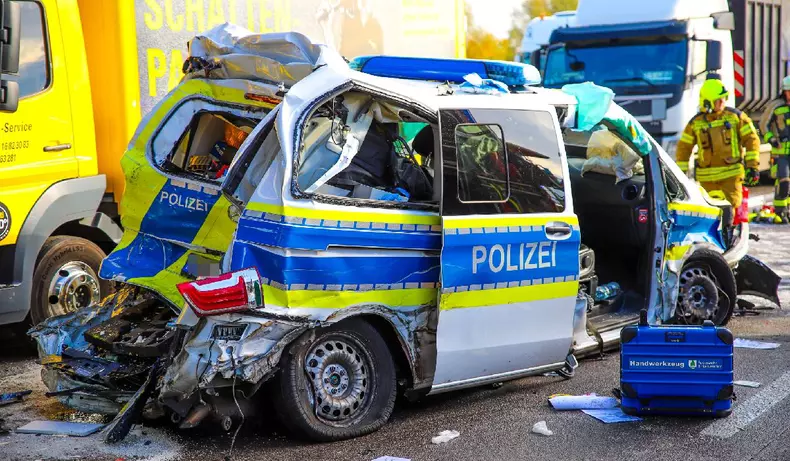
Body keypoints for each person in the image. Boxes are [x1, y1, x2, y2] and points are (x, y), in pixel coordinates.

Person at [675, 76, 761, 217]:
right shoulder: (696, 123)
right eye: (718, 100)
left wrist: (753, 166)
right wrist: (680, 175)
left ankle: (729, 230)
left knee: (729, 209)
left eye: (723, 99)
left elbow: (752, 140)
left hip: (731, 176)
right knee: (711, 212)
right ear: (707, 102)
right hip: (707, 179)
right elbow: (683, 149)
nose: (722, 102)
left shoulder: (735, 117)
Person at [764, 76, 790, 223]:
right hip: (781, 153)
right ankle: (780, 212)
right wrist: (771, 139)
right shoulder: (776, 106)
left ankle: (788, 211)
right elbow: (763, 125)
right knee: (783, 182)